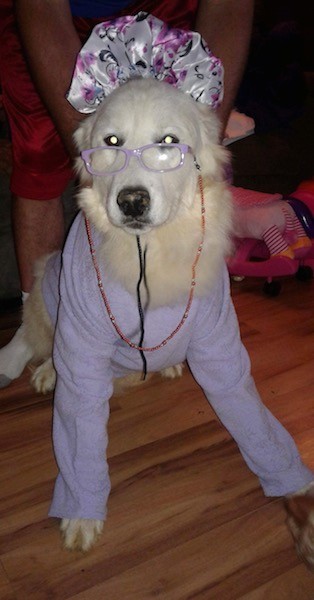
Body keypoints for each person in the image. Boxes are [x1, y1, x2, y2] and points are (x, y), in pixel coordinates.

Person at [0, 0, 254, 386]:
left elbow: (229, 8)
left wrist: (200, 138)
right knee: (38, 153)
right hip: (48, 11)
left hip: (159, 16)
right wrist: (100, 159)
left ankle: (162, 336)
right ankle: (39, 328)